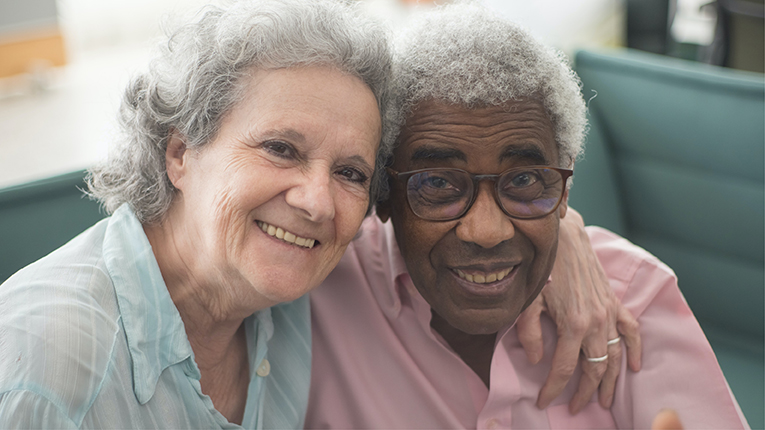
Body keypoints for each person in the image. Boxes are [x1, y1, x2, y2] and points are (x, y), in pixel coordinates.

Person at [304, 3, 749, 429]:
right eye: (436, 183)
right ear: (383, 193)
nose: (486, 231)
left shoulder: (631, 298)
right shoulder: (316, 289)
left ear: (565, 188)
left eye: (523, 181)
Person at [0, 0, 391, 427]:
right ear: (180, 153)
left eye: (350, 173)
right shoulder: (44, 369)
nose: (318, 202)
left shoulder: (291, 304)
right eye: (280, 149)